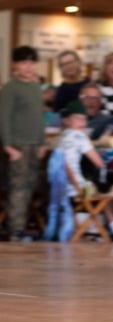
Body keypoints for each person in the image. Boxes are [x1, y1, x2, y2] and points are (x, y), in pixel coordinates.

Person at [54, 101, 113, 240]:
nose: (82, 122)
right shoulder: (80, 136)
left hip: (64, 187)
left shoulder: (61, 137)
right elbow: (99, 163)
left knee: (104, 190)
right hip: (80, 189)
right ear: (68, 120)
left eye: (84, 118)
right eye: (77, 118)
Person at [2, 46, 48, 241]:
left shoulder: (35, 88)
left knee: (30, 186)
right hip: (18, 145)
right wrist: (8, 146)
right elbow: (3, 118)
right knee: (18, 188)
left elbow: (39, 118)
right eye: (23, 62)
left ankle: (22, 225)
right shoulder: (10, 88)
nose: (28, 67)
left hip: (34, 146)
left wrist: (42, 142)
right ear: (15, 64)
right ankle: (15, 229)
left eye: (32, 62)